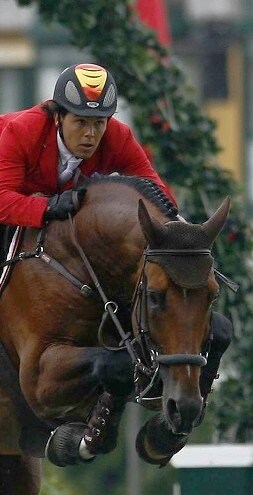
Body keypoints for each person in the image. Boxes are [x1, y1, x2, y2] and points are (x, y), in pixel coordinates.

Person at [0, 63, 232, 455]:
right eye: (81, 123)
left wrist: (178, 237)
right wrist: (45, 209)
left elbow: (154, 192)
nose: (91, 134)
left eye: (100, 123)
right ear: (58, 116)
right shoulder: (20, 131)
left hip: (68, 230)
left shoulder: (117, 136)